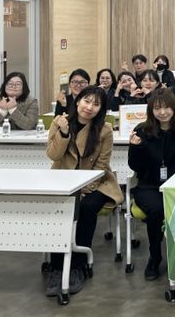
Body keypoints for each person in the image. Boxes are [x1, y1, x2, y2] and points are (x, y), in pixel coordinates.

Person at [45, 86, 123, 296]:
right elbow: (53, 155)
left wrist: (85, 188)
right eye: (86, 101)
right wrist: (63, 133)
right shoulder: (60, 122)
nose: (89, 107)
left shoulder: (104, 130)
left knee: (87, 207)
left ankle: (78, 266)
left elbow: (102, 165)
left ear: (101, 109)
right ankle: (57, 267)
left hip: (97, 183)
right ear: (77, 101)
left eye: (96, 104)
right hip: (63, 181)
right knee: (59, 208)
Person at [128, 89, 175, 280]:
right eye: (157, 108)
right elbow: (135, 166)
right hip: (148, 186)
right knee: (157, 209)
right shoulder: (142, 130)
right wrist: (136, 148)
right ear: (151, 110)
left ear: (174, 108)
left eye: (167, 107)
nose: (163, 112)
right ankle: (155, 256)